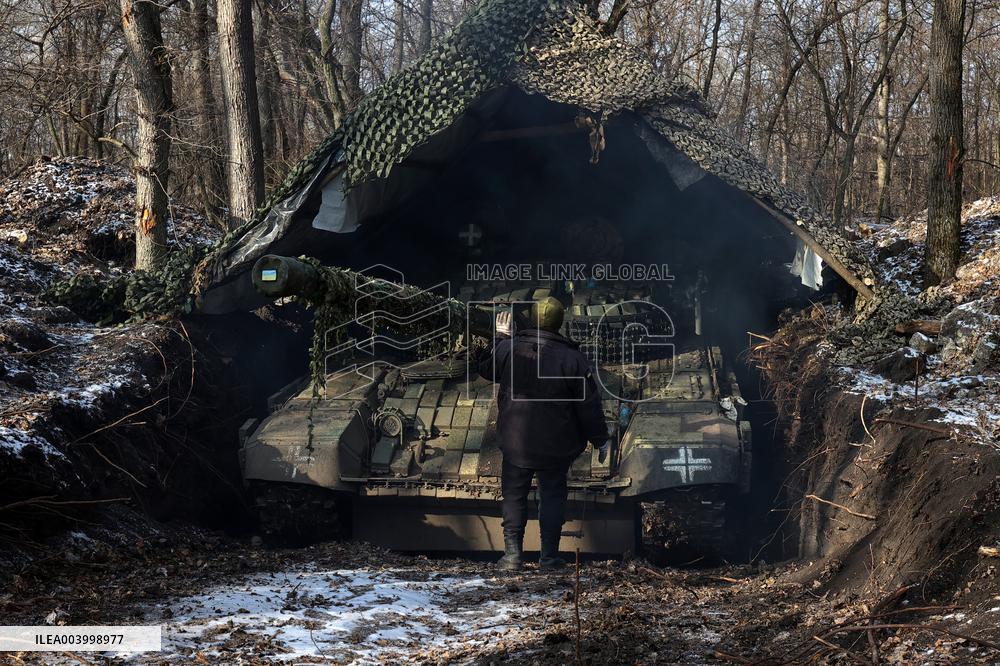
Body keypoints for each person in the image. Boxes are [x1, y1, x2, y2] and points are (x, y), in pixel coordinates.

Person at [478, 296, 609, 572]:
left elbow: (486, 369)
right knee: (552, 498)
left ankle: (512, 557)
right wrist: (600, 440)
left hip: (516, 443)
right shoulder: (573, 359)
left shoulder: (510, 348)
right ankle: (549, 558)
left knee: (513, 497)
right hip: (556, 444)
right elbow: (588, 406)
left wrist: (500, 338)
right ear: (560, 323)